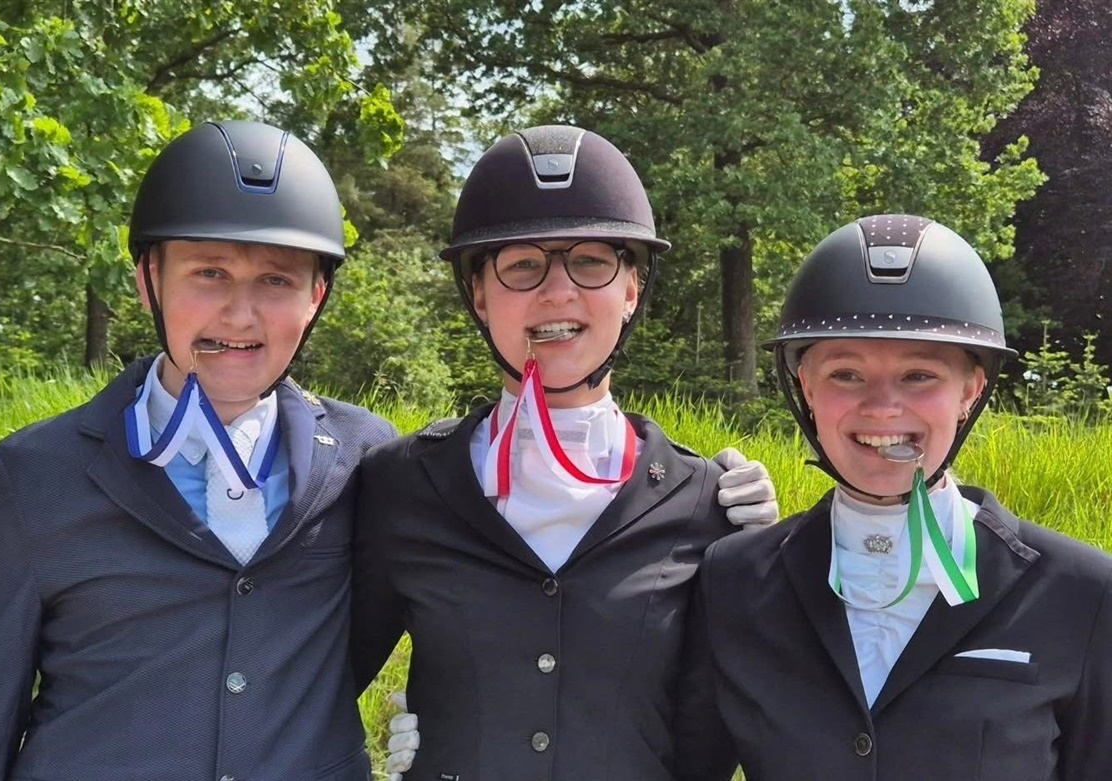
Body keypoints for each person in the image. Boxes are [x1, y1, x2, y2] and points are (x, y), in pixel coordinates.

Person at [0, 120, 396, 781]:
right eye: (209, 273)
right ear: (149, 280)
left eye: (276, 280)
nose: (240, 315)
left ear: (316, 296)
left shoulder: (367, 457)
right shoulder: (34, 474)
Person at [349, 124, 779, 781]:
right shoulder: (402, 483)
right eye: (523, 264)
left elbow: (711, 740)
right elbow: (311, 680)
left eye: (591, 261)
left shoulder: (702, 504)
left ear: (631, 289)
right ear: (479, 292)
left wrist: (770, 566)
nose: (557, 291)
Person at [678, 214, 1112, 780]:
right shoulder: (734, 580)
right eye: (846, 375)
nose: (882, 407)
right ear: (806, 387)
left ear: (971, 389)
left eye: (918, 376)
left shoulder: (1083, 593)